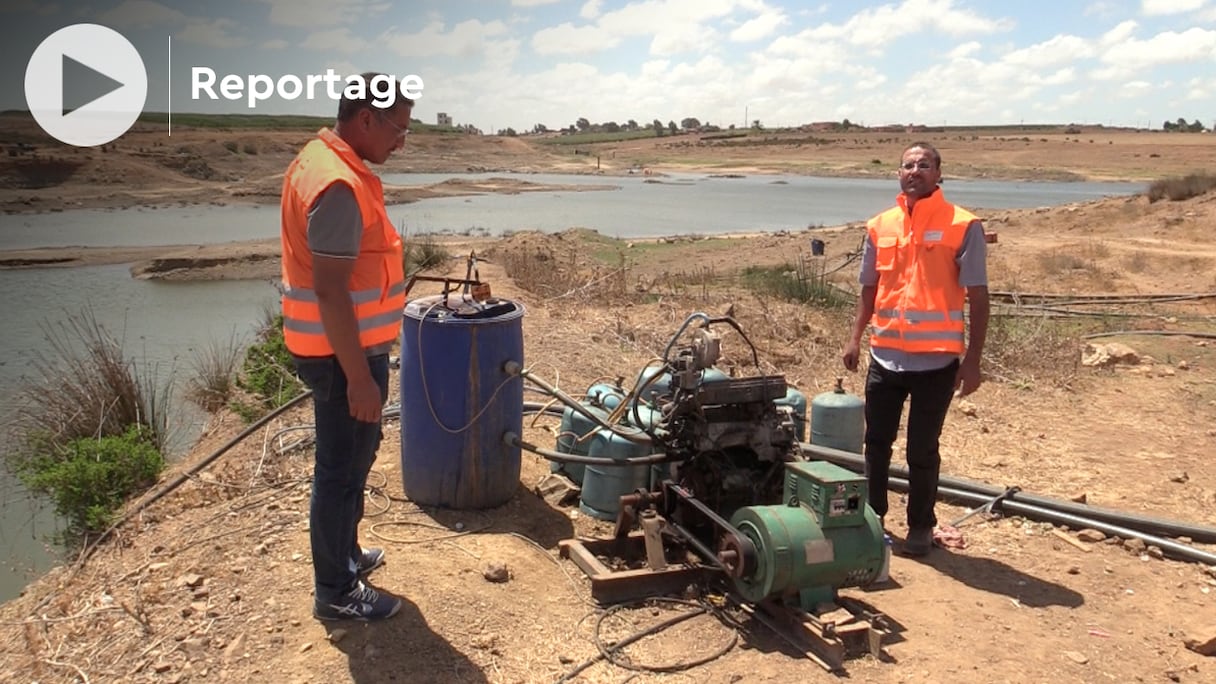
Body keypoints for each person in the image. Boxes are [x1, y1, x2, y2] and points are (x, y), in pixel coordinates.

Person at [279, 72, 412, 620]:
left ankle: (348, 556)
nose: (401, 140)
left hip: (347, 351)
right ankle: (335, 592)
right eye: (398, 128)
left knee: (356, 459)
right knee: (339, 470)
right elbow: (330, 290)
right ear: (365, 119)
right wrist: (358, 376)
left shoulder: (326, 162)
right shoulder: (337, 184)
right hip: (341, 358)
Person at [841, 142, 989, 557]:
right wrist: (855, 337)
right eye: (908, 165)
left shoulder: (964, 225)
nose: (915, 171)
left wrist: (972, 361)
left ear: (939, 172)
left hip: (936, 362)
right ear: (898, 173)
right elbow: (869, 290)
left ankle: (921, 527)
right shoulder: (879, 225)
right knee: (876, 444)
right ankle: (872, 520)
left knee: (922, 449)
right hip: (884, 355)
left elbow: (978, 296)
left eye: (925, 164)